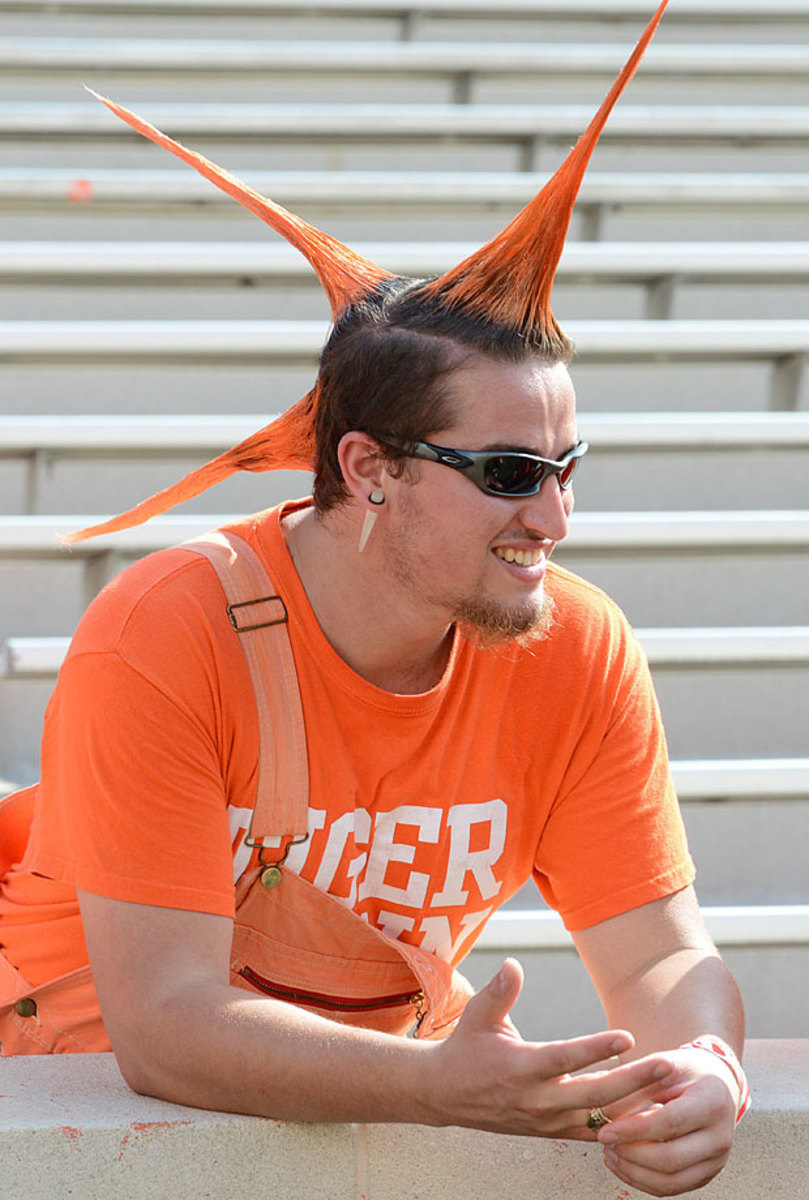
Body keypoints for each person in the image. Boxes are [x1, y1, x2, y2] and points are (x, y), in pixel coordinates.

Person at [0, 2, 749, 1194]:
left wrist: (705, 1062)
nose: (552, 521)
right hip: (83, 1123)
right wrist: (438, 1089)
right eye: (507, 475)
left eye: (565, 471)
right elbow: (163, 1025)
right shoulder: (166, 627)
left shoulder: (575, 645)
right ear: (368, 471)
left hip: (364, 1107)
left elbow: (661, 955)